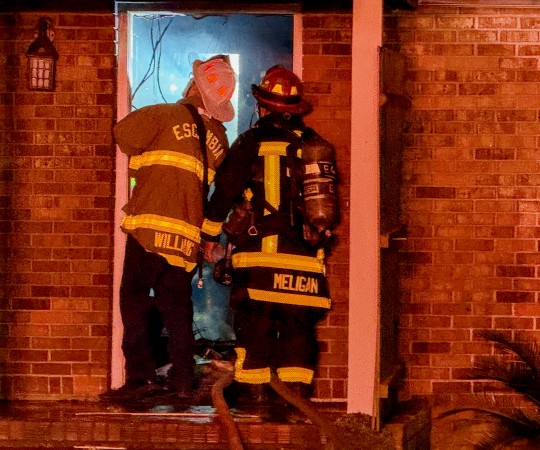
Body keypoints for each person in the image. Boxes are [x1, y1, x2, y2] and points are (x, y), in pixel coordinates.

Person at [202, 65, 337, 418]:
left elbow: (224, 192)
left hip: (260, 264)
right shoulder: (315, 146)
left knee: (255, 337)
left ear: (262, 107)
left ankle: (256, 404)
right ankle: (294, 408)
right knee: (298, 338)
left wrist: (209, 236)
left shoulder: (250, 143)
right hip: (306, 268)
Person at [104, 55, 236, 401]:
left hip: (148, 231)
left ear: (193, 85)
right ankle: (182, 380)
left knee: (134, 299)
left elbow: (122, 136)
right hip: (185, 239)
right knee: (177, 308)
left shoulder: (163, 115)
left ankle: (140, 378)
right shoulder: (219, 139)